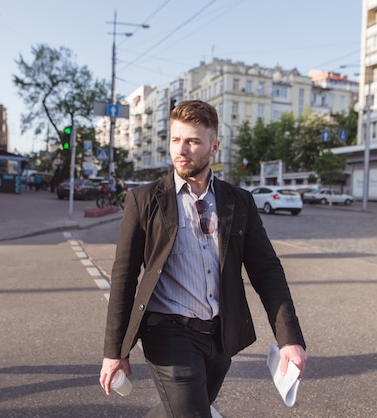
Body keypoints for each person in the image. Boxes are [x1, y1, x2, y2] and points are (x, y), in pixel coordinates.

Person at [99, 100, 306, 417]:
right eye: (175, 139)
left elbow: (266, 271)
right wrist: (114, 351)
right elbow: (124, 277)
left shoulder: (239, 202)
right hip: (167, 332)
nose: (181, 150)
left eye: (193, 141)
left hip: (220, 338)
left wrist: (289, 338)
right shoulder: (144, 201)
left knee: (187, 409)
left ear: (214, 146)